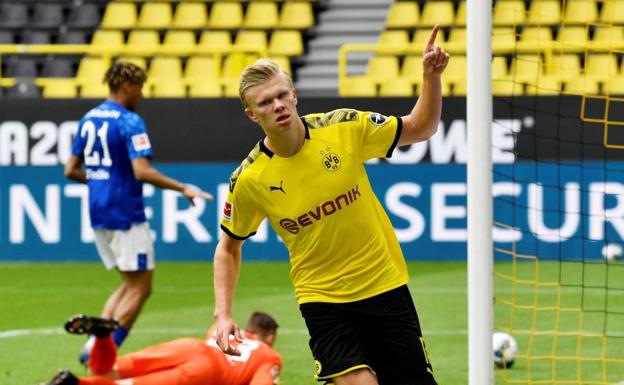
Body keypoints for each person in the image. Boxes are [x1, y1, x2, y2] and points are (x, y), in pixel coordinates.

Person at [213, 25, 449, 385]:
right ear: (252, 114)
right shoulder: (249, 180)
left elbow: (421, 127)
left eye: (280, 95)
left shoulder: (343, 128)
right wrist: (223, 312)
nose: (276, 105)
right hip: (323, 299)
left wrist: (431, 78)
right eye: (264, 101)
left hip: (385, 286)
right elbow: (228, 248)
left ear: (294, 95)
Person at [64, 62, 213, 363]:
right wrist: (183, 188)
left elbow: (70, 169)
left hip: (98, 210)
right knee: (142, 288)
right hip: (124, 211)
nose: (141, 95)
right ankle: (104, 353)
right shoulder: (129, 121)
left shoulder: (89, 118)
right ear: (128, 86)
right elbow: (142, 171)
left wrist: (100, 180)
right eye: (140, 88)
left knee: (130, 283)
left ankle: (93, 344)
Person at [44, 312, 282, 385]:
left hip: (189, 346)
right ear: (270, 337)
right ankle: (73, 384)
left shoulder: (223, 329)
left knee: (105, 371)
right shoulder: (269, 355)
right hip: (209, 370)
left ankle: (104, 336)